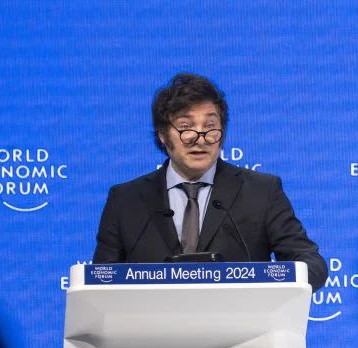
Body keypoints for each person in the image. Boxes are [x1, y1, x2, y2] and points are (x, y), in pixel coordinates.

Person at [92, 72, 327, 289]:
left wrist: (269, 285)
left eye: (210, 127)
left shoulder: (261, 192)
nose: (200, 138)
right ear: (163, 135)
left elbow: (311, 264)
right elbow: (100, 283)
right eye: (186, 127)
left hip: (241, 330)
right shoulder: (126, 201)